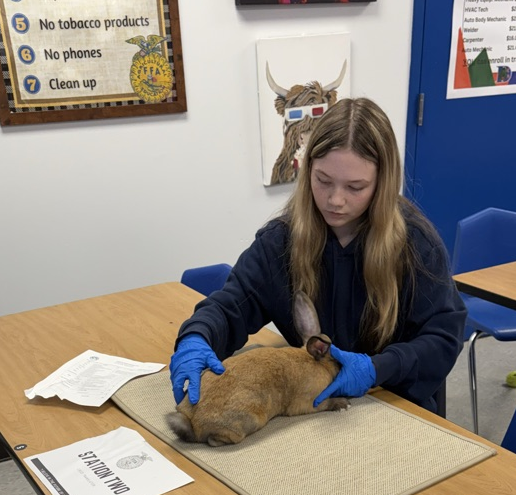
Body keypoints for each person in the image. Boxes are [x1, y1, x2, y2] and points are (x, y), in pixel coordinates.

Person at [170, 97, 466, 414]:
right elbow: (232, 303)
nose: (335, 200)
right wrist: (197, 337)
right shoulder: (281, 241)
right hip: (313, 407)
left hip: (393, 404)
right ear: (307, 168)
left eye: (355, 187)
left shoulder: (416, 245)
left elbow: (442, 338)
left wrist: (378, 368)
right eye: (323, 180)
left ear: (382, 183)